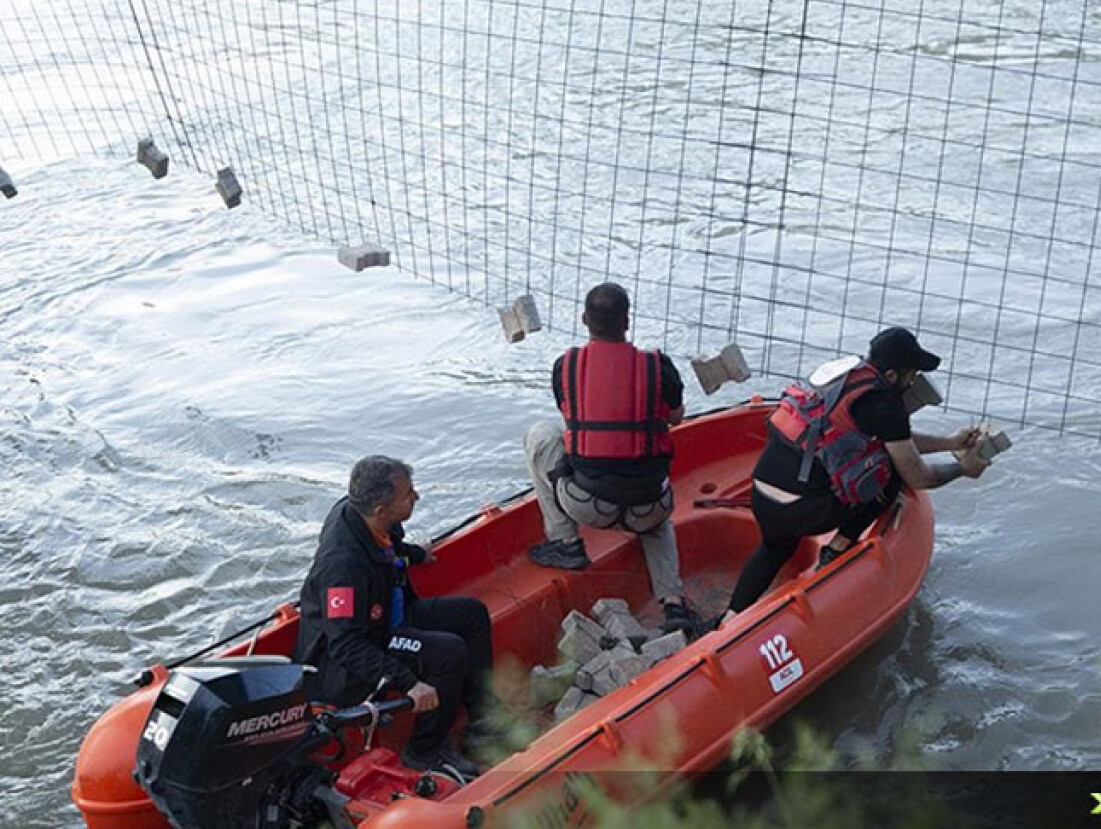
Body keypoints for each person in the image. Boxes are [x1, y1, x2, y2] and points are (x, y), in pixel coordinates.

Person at [719, 326, 990, 623]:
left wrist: (950, 442)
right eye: (911, 376)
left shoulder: (840, 376)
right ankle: (838, 548)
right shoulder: (885, 404)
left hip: (761, 493)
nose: (913, 382)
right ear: (891, 376)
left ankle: (729, 618)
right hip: (801, 509)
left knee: (774, 548)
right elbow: (917, 475)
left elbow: (896, 439)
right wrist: (963, 469)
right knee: (891, 474)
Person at [294, 455, 494, 779]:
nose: (416, 496)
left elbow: (392, 547)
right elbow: (344, 645)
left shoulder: (370, 518)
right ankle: (424, 750)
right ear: (380, 510)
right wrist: (409, 682)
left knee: (471, 613)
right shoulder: (343, 566)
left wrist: (415, 554)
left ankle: (483, 720)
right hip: (355, 651)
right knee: (448, 652)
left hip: (390, 614)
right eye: (408, 494)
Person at [523, 282, 699, 635]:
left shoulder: (566, 367)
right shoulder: (658, 366)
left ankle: (566, 543)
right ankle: (673, 602)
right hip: (648, 507)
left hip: (586, 504)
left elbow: (570, 415)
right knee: (658, 519)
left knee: (542, 434)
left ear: (585, 319)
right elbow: (677, 417)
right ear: (627, 321)